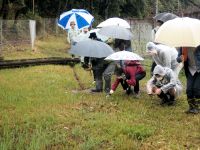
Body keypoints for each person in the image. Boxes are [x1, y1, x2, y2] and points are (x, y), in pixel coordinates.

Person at [177, 46, 200, 114]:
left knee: (196, 89)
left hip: (199, 70)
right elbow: (178, 59)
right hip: (190, 70)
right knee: (189, 89)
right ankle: (191, 107)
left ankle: (197, 107)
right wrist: (180, 58)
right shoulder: (183, 47)